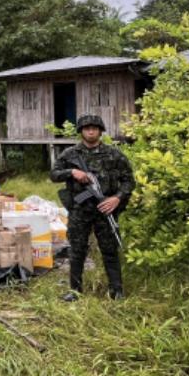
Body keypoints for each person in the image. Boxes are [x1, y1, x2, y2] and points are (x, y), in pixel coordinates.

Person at [50, 115, 134, 301]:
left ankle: (117, 291)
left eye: (95, 128)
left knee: (110, 250)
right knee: (77, 250)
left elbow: (129, 181)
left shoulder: (114, 154)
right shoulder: (70, 154)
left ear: (100, 131)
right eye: (87, 128)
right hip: (80, 210)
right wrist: (72, 172)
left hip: (106, 211)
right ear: (81, 131)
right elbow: (54, 175)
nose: (91, 131)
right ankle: (75, 291)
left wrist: (117, 198)